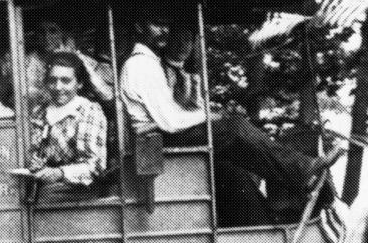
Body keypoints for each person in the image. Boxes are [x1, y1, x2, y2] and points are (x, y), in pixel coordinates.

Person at [119, 13, 333, 199]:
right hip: (156, 140)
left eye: (166, 25)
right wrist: (211, 117)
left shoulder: (149, 62)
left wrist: (212, 115)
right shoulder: (140, 65)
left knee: (234, 145)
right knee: (234, 128)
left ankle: (298, 178)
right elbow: (171, 121)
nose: (164, 31)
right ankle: (302, 171)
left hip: (161, 135)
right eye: (156, 24)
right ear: (139, 27)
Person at [28, 53, 109, 186]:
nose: (58, 87)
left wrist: (60, 173)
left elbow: (94, 166)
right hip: (41, 191)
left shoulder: (87, 111)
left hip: (74, 195)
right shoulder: (39, 111)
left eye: (66, 81)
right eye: (52, 80)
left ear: (79, 84)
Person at [25, 18, 114, 107]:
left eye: (53, 31)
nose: (47, 37)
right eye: (41, 32)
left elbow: (106, 94)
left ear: (62, 33)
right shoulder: (29, 61)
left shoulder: (76, 58)